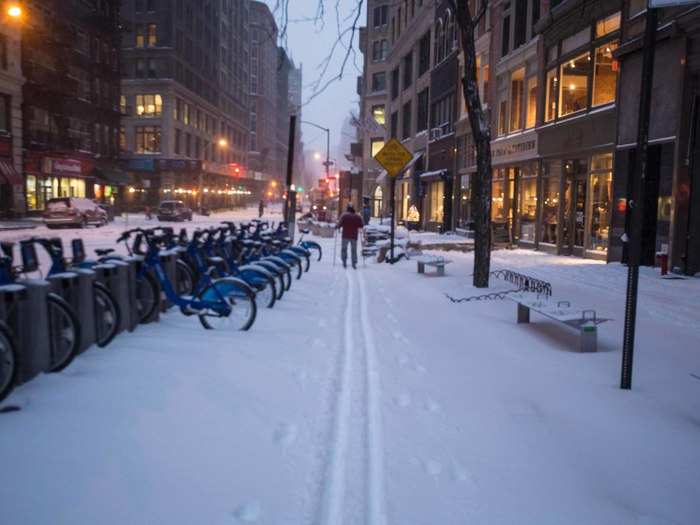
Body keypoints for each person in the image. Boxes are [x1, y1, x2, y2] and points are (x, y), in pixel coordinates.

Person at [336, 204, 364, 269]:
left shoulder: (344, 216)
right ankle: (354, 263)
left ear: (347, 210)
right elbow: (361, 225)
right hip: (354, 236)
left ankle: (344, 261)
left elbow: (339, 224)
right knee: (354, 250)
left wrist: (337, 227)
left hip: (345, 235)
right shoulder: (357, 217)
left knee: (344, 249)